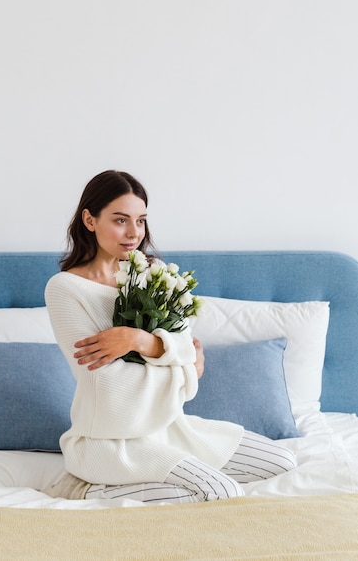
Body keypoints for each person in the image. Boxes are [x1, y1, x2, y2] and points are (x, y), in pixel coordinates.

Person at [45, 169, 296, 505]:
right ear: (90, 220)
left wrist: (140, 341)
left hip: (169, 426)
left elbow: (188, 348)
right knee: (223, 491)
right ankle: (87, 487)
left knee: (283, 462)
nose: (134, 233)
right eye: (121, 220)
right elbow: (108, 382)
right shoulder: (66, 289)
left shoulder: (152, 273)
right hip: (110, 438)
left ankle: (157, 477)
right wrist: (180, 363)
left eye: (141, 220)